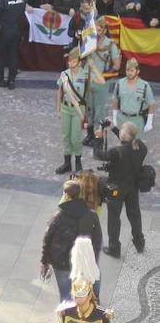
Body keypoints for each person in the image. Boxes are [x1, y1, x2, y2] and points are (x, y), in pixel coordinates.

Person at [40, 180, 102, 302]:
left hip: (62, 262)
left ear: (66, 195)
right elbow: (97, 240)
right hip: (83, 262)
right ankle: (93, 301)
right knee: (85, 291)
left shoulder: (58, 217)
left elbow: (47, 239)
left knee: (65, 297)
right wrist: (92, 260)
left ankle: (68, 312)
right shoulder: (92, 215)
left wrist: (44, 262)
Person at [100, 121, 147, 258]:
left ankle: (114, 248)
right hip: (132, 188)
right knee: (135, 216)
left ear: (123, 135)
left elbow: (98, 154)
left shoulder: (116, 152)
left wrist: (98, 138)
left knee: (114, 218)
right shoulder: (141, 147)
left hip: (116, 190)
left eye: (121, 130)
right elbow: (129, 144)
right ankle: (140, 243)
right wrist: (114, 128)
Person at [55, 48, 105, 174]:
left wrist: (93, 67)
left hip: (78, 110)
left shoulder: (86, 74)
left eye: (73, 61)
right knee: (66, 136)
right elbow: (60, 92)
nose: (70, 63)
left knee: (76, 138)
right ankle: (67, 162)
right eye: (69, 60)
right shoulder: (64, 74)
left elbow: (102, 81)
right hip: (66, 108)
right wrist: (58, 109)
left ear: (79, 62)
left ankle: (78, 161)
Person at [82, 17, 121, 148]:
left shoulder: (111, 45)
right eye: (96, 29)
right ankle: (89, 135)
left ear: (105, 30)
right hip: (88, 80)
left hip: (100, 82)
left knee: (99, 111)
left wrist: (105, 75)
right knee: (88, 109)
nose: (97, 32)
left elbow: (117, 65)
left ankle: (98, 137)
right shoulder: (89, 41)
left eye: (99, 29)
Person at [56, 237, 112, 322]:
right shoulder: (67, 313)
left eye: (80, 296)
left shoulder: (101, 316)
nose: (77, 299)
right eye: (76, 296)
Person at [109, 58, 155, 140]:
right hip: (122, 119)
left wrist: (149, 122)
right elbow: (115, 101)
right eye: (127, 70)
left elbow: (151, 104)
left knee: (136, 144)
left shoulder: (145, 86)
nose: (129, 73)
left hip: (137, 121)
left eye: (132, 70)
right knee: (123, 144)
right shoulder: (119, 83)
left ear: (137, 71)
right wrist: (114, 118)